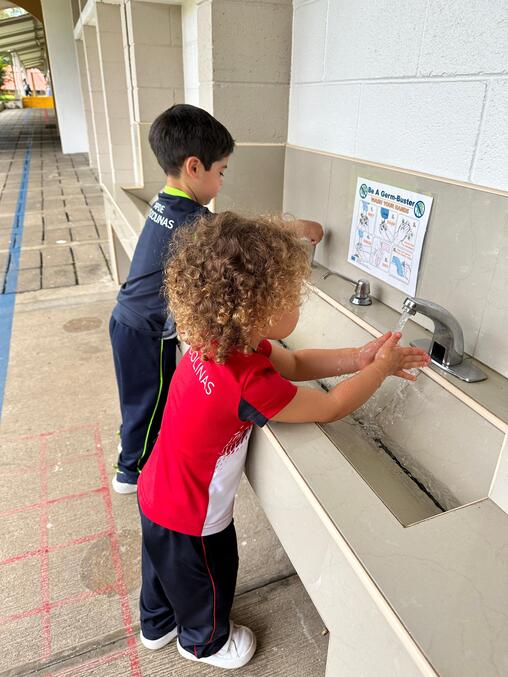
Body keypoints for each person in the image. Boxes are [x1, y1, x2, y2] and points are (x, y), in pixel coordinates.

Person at [136, 212, 430, 669]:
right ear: (260, 308)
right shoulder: (248, 380)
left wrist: (357, 357)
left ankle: (156, 623)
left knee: (162, 566)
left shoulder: (220, 339)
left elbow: (294, 364)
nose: (298, 301)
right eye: (292, 294)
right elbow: (330, 409)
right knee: (208, 577)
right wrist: (380, 370)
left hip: (157, 486)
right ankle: (202, 642)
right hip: (194, 515)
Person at [110, 104, 322, 494]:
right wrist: (296, 229)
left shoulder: (167, 203)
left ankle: (133, 454)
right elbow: (238, 237)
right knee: (150, 402)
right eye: (220, 171)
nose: (222, 182)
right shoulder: (193, 222)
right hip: (147, 328)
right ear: (194, 167)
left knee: (140, 397)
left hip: (127, 317)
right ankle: (132, 473)